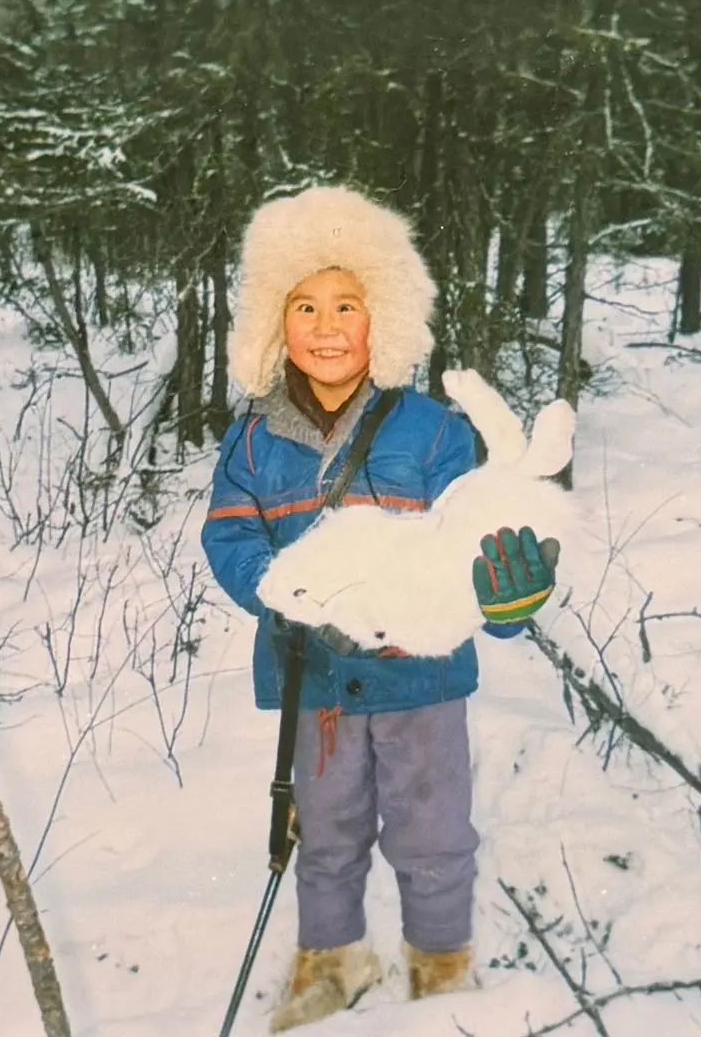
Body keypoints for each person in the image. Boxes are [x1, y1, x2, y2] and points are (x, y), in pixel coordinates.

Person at [201, 185, 562, 1032]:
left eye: (347, 306)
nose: (326, 327)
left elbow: (477, 537)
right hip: (314, 682)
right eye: (305, 306)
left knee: (433, 834)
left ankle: (441, 967)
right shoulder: (251, 438)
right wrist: (285, 589)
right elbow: (229, 534)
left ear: (384, 320)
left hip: (420, 682)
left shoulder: (432, 430)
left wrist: (506, 602)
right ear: (274, 321)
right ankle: (332, 962)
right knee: (325, 832)